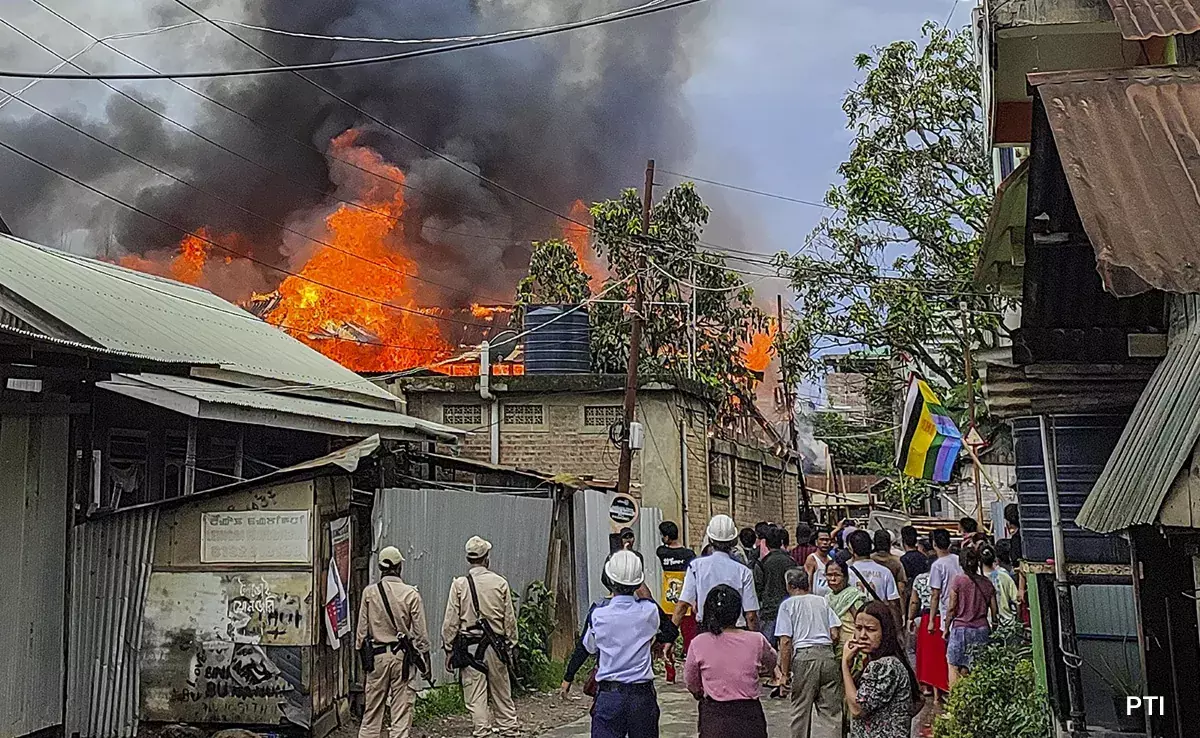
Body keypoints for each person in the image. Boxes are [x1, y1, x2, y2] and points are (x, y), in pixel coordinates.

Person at [585, 550, 676, 738]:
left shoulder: (598, 614)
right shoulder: (649, 611)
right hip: (641, 697)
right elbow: (670, 630)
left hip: (610, 696)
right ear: (638, 582)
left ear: (609, 579)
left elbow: (590, 647)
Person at [441, 536, 519, 738]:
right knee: (502, 692)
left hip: (470, 648)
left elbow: (451, 621)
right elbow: (509, 619)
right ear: (486, 558)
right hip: (496, 646)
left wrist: (449, 649)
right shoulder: (500, 583)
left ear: (468, 559)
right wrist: (510, 645)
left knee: (475, 696)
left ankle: (482, 732)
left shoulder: (459, 585)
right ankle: (509, 729)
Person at [356, 546, 431, 738]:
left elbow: (361, 633)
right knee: (401, 711)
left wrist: (363, 659)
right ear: (399, 568)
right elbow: (421, 633)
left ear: (381, 568)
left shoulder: (369, 593)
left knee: (372, 712)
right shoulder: (411, 594)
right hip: (402, 658)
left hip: (377, 657)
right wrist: (426, 661)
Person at [685, 585, 778, 738]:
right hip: (749, 716)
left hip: (715, 716)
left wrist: (699, 693)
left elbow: (691, 681)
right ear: (737, 612)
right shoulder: (756, 640)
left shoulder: (698, 643)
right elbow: (773, 661)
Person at [776, 568, 843, 738]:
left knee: (800, 711)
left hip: (804, 656)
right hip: (827, 655)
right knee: (831, 713)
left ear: (790, 586)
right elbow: (834, 633)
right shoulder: (822, 601)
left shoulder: (787, 605)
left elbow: (785, 642)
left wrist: (784, 673)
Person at [842, 601, 922, 738]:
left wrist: (844, 665)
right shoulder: (881, 661)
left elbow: (857, 708)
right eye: (858, 628)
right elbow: (918, 701)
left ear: (885, 632)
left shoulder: (885, 666)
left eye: (871, 629)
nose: (862, 635)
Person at [675, 515, 761, 633]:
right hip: (736, 631)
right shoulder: (744, 572)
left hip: (706, 630)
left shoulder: (696, 567)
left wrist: (670, 637)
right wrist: (755, 637)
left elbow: (683, 605)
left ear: (710, 539)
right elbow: (751, 615)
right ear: (734, 541)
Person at [944, 546, 997, 686]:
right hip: (982, 629)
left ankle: (956, 700)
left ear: (961, 563)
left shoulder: (958, 581)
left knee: (954, 665)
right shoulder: (987, 583)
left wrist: (946, 629)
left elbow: (951, 608)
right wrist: (994, 629)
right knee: (979, 669)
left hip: (960, 630)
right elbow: (994, 612)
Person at [919, 529, 960, 701]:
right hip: (961, 611)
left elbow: (935, 594)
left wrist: (931, 622)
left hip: (945, 615)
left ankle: (952, 693)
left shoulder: (937, 565)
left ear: (934, 544)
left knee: (950, 658)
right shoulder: (958, 560)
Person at [655, 521, 697, 682]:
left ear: (666, 536)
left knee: (668, 638)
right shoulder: (689, 555)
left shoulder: (662, 552)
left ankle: (670, 673)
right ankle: (691, 674)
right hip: (685, 602)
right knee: (690, 641)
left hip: (667, 603)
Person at [755, 527, 793, 696]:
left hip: (769, 609)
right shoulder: (791, 562)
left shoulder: (763, 563)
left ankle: (774, 675)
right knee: (786, 643)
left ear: (767, 544)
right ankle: (785, 674)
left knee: (768, 646)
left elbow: (758, 587)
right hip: (788, 607)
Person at [845, 530, 903, 630]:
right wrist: (898, 629)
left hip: (855, 625)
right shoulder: (885, 572)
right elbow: (893, 603)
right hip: (879, 624)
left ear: (851, 550)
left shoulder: (847, 573)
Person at [825, 558, 866, 650]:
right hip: (835, 648)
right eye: (829, 575)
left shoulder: (853, 596)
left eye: (837, 575)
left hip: (852, 646)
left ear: (846, 577)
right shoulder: (828, 598)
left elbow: (862, 622)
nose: (832, 579)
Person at [869, 530, 908, 616]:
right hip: (889, 608)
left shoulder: (869, 560)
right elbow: (901, 590)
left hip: (869, 606)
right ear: (889, 543)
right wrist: (902, 613)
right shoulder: (896, 562)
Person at [980, 544, 1018, 625]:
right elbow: (1017, 600)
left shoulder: (978, 579)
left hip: (985, 624)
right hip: (1007, 622)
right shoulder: (1004, 575)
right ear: (995, 558)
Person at [805, 527, 833, 596]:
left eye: (827, 540)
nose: (825, 542)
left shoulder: (831, 559)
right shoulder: (812, 559)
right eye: (822, 540)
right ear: (816, 542)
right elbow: (808, 581)